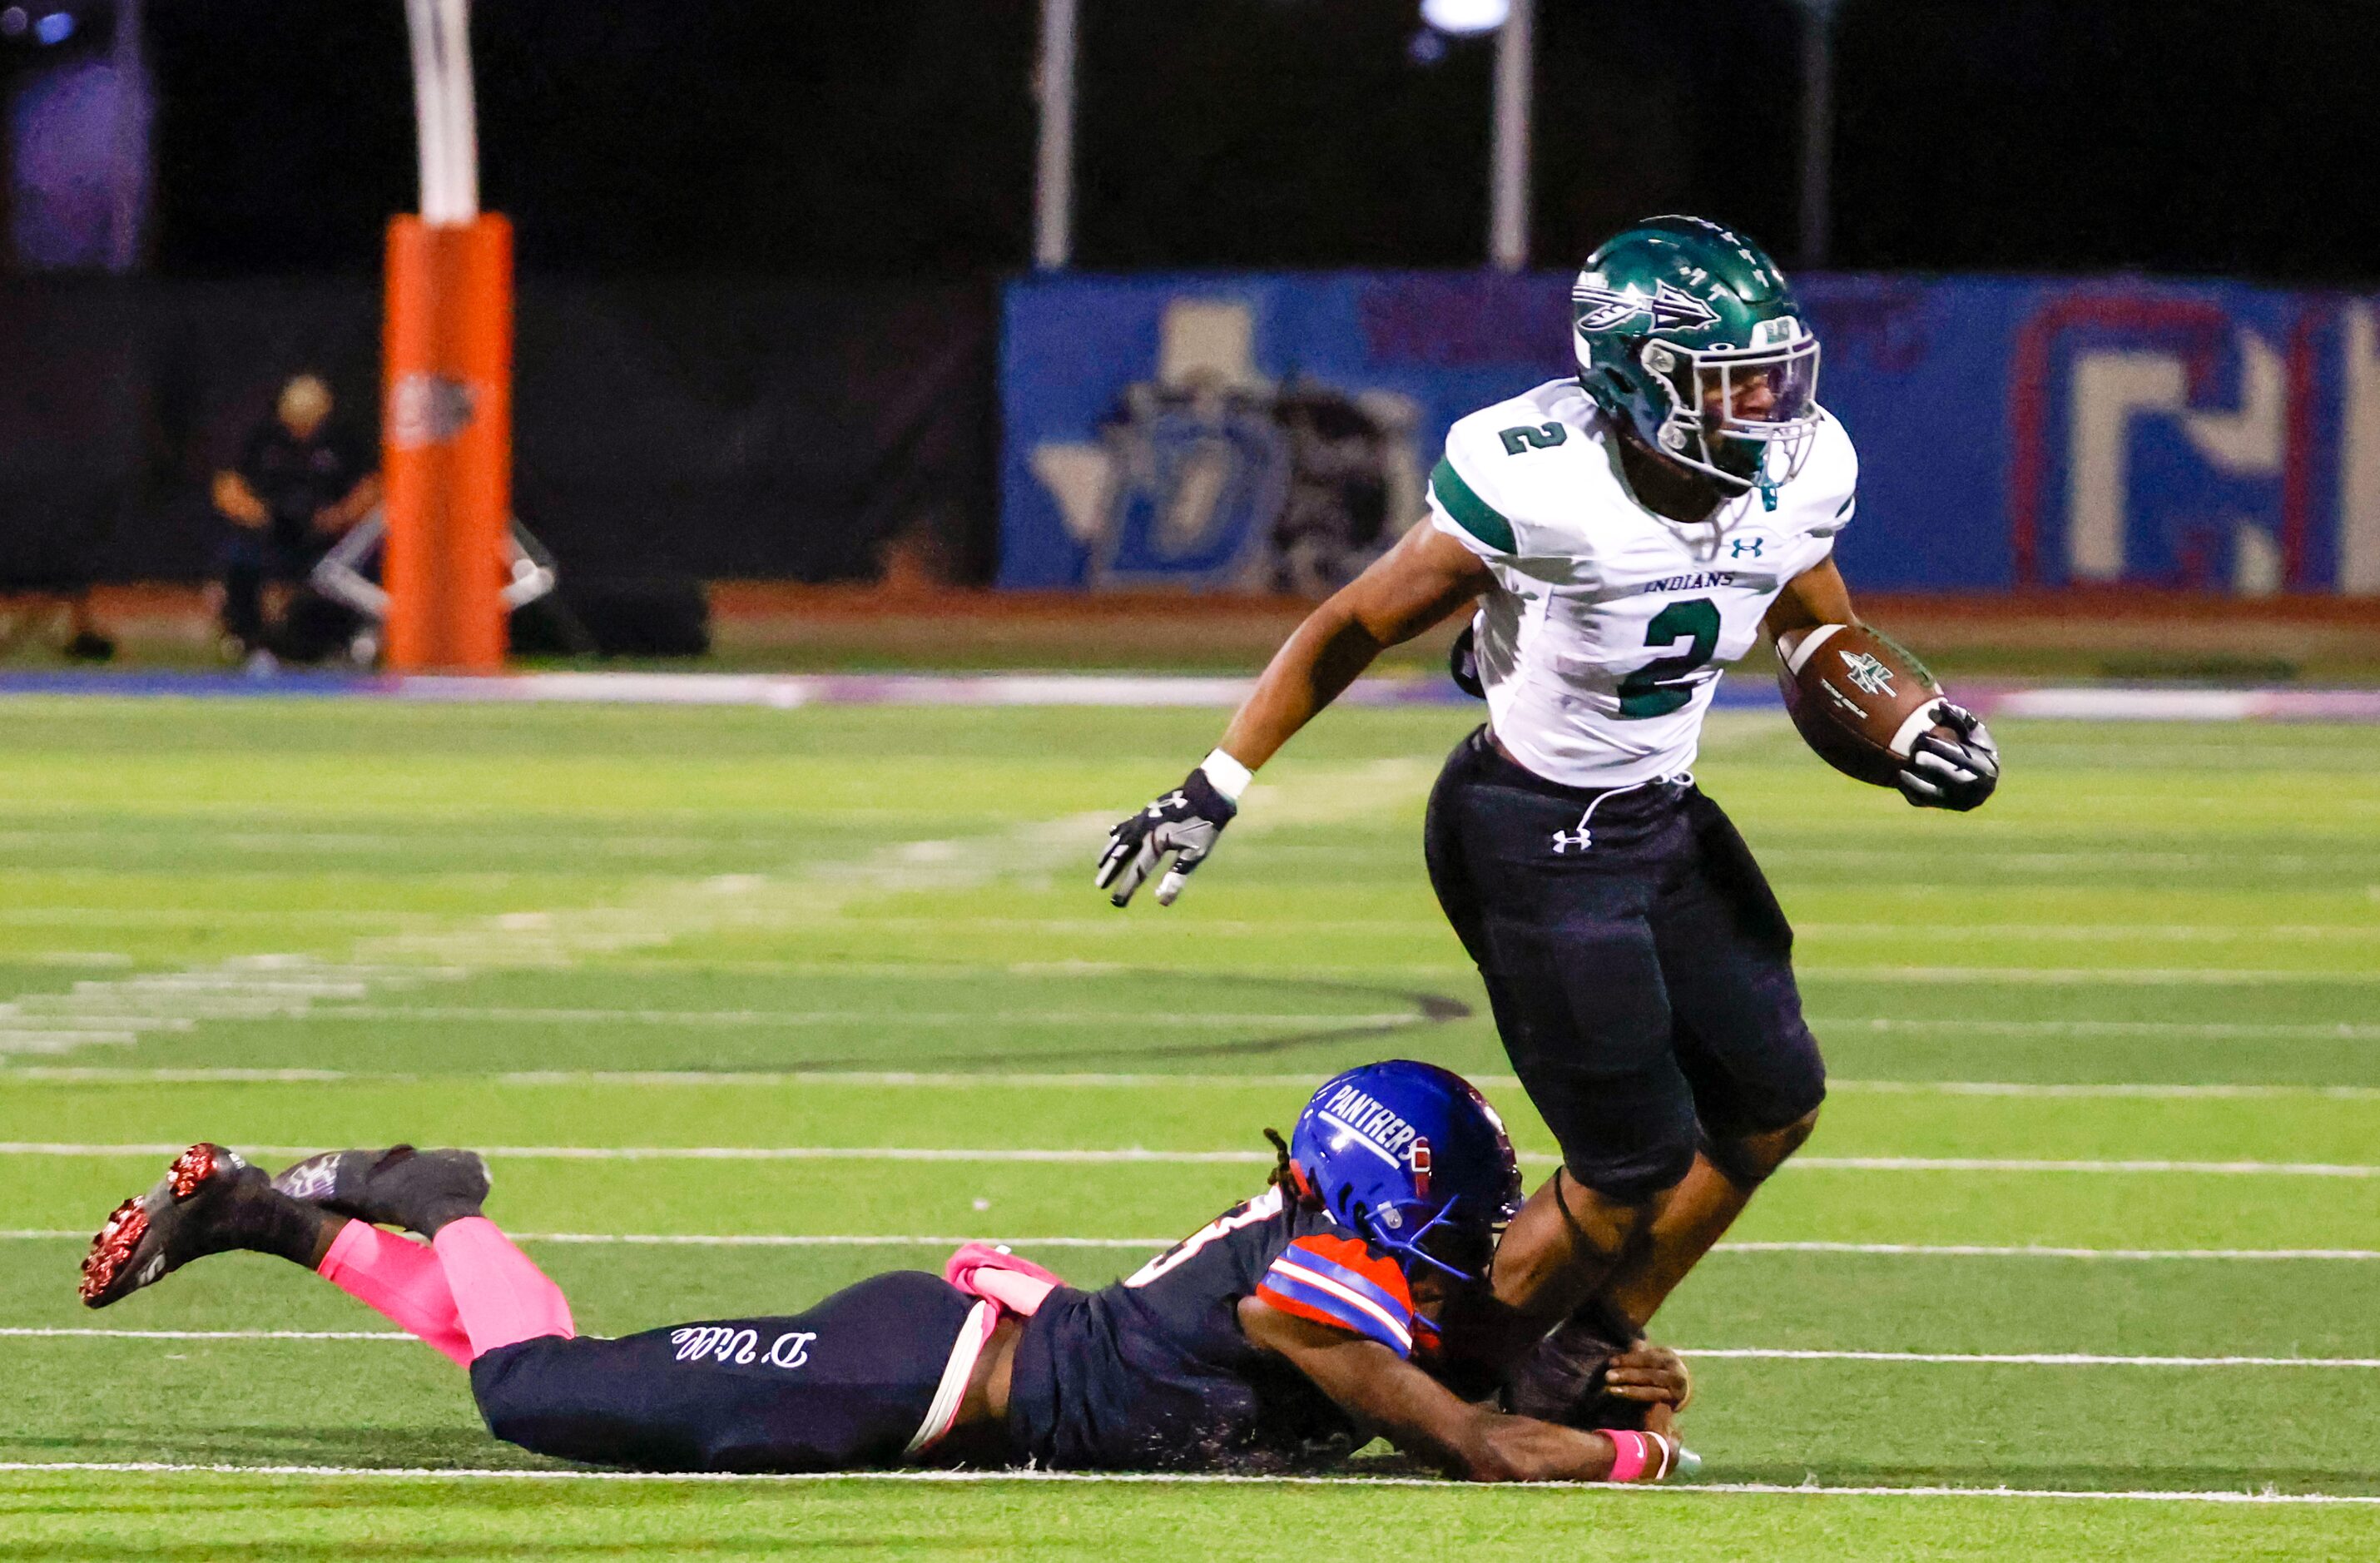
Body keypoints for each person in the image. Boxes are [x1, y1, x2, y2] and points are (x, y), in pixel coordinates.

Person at [1097, 216, 2002, 1381]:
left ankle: (1587, 1344)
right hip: (1528, 829)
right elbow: (1357, 621)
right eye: (1731, 381)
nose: (1769, 402)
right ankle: (1449, 1387)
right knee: (1632, 1163)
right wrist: (1217, 780)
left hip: (1658, 811)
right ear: (1638, 379)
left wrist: (1912, 719)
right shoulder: (1541, 479)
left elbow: (1815, 625)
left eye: (1773, 370)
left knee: (1774, 1105)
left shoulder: (1802, 466)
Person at [77, 1060, 1696, 1481]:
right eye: (1450, 1227)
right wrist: (1631, 1448)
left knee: (559, 1375)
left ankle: (272, 1223)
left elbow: (1468, 1377)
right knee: (527, 1393)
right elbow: (1468, 1448)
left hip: (946, 1365)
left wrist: (1577, 1365)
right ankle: (430, 1196)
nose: (1471, 1261)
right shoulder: (1303, 1286)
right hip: (904, 1380)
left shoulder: (1334, 1270)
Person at [213, 374, 380, 664]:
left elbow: (373, 486)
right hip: (273, 534)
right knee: (239, 558)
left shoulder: (343, 441)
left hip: (328, 539)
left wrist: (339, 516)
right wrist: (261, 515)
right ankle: (246, 637)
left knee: (356, 569)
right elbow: (228, 486)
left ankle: (351, 635)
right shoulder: (265, 440)